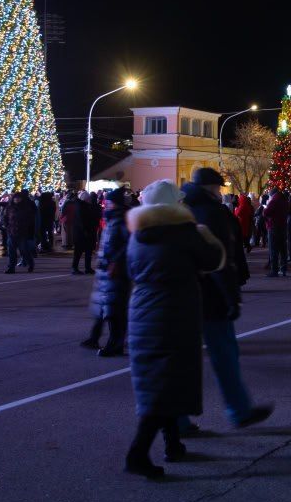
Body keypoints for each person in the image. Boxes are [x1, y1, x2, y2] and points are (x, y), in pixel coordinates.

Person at [123, 180, 225, 479]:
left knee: (162, 379)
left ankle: (172, 443)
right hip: (174, 312)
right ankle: (137, 454)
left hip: (143, 310)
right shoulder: (184, 232)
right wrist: (206, 236)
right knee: (166, 383)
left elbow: (132, 271)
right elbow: (214, 260)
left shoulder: (137, 234)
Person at [181, 169, 272, 429]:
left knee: (184, 359)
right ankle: (239, 409)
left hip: (185, 295)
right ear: (211, 188)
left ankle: (177, 421)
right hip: (212, 297)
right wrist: (232, 296)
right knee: (225, 355)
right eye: (218, 188)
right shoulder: (212, 214)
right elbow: (220, 260)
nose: (221, 192)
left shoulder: (182, 210)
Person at [83, 188, 131, 356]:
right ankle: (95, 337)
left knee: (114, 310)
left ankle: (115, 344)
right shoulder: (112, 219)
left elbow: (128, 244)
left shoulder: (123, 220)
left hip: (116, 271)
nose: (106, 204)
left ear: (115, 203)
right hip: (106, 270)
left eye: (109, 202)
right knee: (104, 307)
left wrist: (116, 261)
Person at [4, 190, 38, 273]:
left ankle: (30, 264)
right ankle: (11, 267)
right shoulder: (9, 207)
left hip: (23, 233)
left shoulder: (26, 208)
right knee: (11, 251)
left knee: (24, 251)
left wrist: (30, 232)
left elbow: (31, 221)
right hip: (12, 232)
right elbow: (5, 218)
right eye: (15, 198)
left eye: (18, 198)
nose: (17, 199)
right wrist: (7, 227)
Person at [263, 187, 289, 277]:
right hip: (283, 226)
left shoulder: (274, 201)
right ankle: (283, 268)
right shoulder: (284, 200)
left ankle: (274, 270)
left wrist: (266, 208)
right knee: (283, 249)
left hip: (273, 226)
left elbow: (266, 212)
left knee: (273, 248)